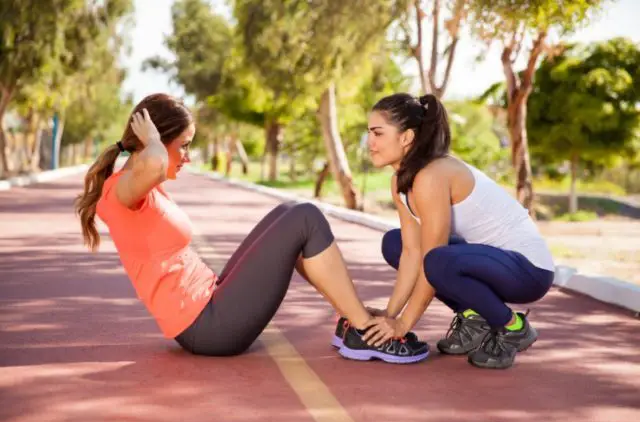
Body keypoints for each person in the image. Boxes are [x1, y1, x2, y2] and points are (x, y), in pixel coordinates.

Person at [73, 93, 428, 363]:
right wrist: (150, 140)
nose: (188, 157)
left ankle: (352, 321)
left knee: (288, 212)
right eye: (184, 146)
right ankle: (366, 329)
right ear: (158, 142)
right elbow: (153, 162)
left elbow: (153, 163)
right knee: (306, 217)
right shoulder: (122, 190)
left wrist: (155, 143)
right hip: (209, 328)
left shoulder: (139, 185)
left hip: (212, 304)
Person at [361, 92, 555, 369]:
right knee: (395, 243)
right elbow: (411, 252)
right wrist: (389, 315)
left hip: (528, 270)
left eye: (378, 133)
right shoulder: (400, 182)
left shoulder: (432, 175)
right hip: (485, 261)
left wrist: (403, 324)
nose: (370, 143)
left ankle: (513, 328)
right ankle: (474, 316)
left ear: (406, 137)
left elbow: (431, 260)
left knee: (437, 260)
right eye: (369, 133)